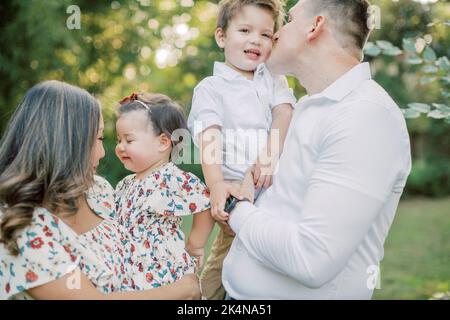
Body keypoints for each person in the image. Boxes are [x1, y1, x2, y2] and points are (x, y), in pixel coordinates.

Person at [222, 0, 412, 299]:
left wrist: (235, 207)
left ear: (315, 26)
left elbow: (311, 259)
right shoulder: (310, 107)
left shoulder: (366, 116)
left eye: (290, 19)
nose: (275, 34)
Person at [0, 80, 200, 300]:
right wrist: (184, 289)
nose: (104, 152)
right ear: (67, 144)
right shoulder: (19, 228)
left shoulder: (99, 191)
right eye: (98, 138)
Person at [187, 0, 296, 300]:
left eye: (265, 34)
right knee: (225, 262)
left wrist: (268, 157)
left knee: (272, 265)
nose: (255, 40)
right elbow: (209, 135)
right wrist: (217, 184)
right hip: (237, 193)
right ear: (221, 37)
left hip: (276, 190)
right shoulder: (211, 87)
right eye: (245, 30)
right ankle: (200, 300)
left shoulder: (274, 79)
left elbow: (284, 113)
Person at [114, 92, 214, 288]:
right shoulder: (125, 183)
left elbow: (205, 202)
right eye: (119, 140)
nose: (120, 147)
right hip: (127, 268)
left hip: (161, 271)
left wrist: (196, 243)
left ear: (163, 142)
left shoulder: (170, 178)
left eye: (129, 140)